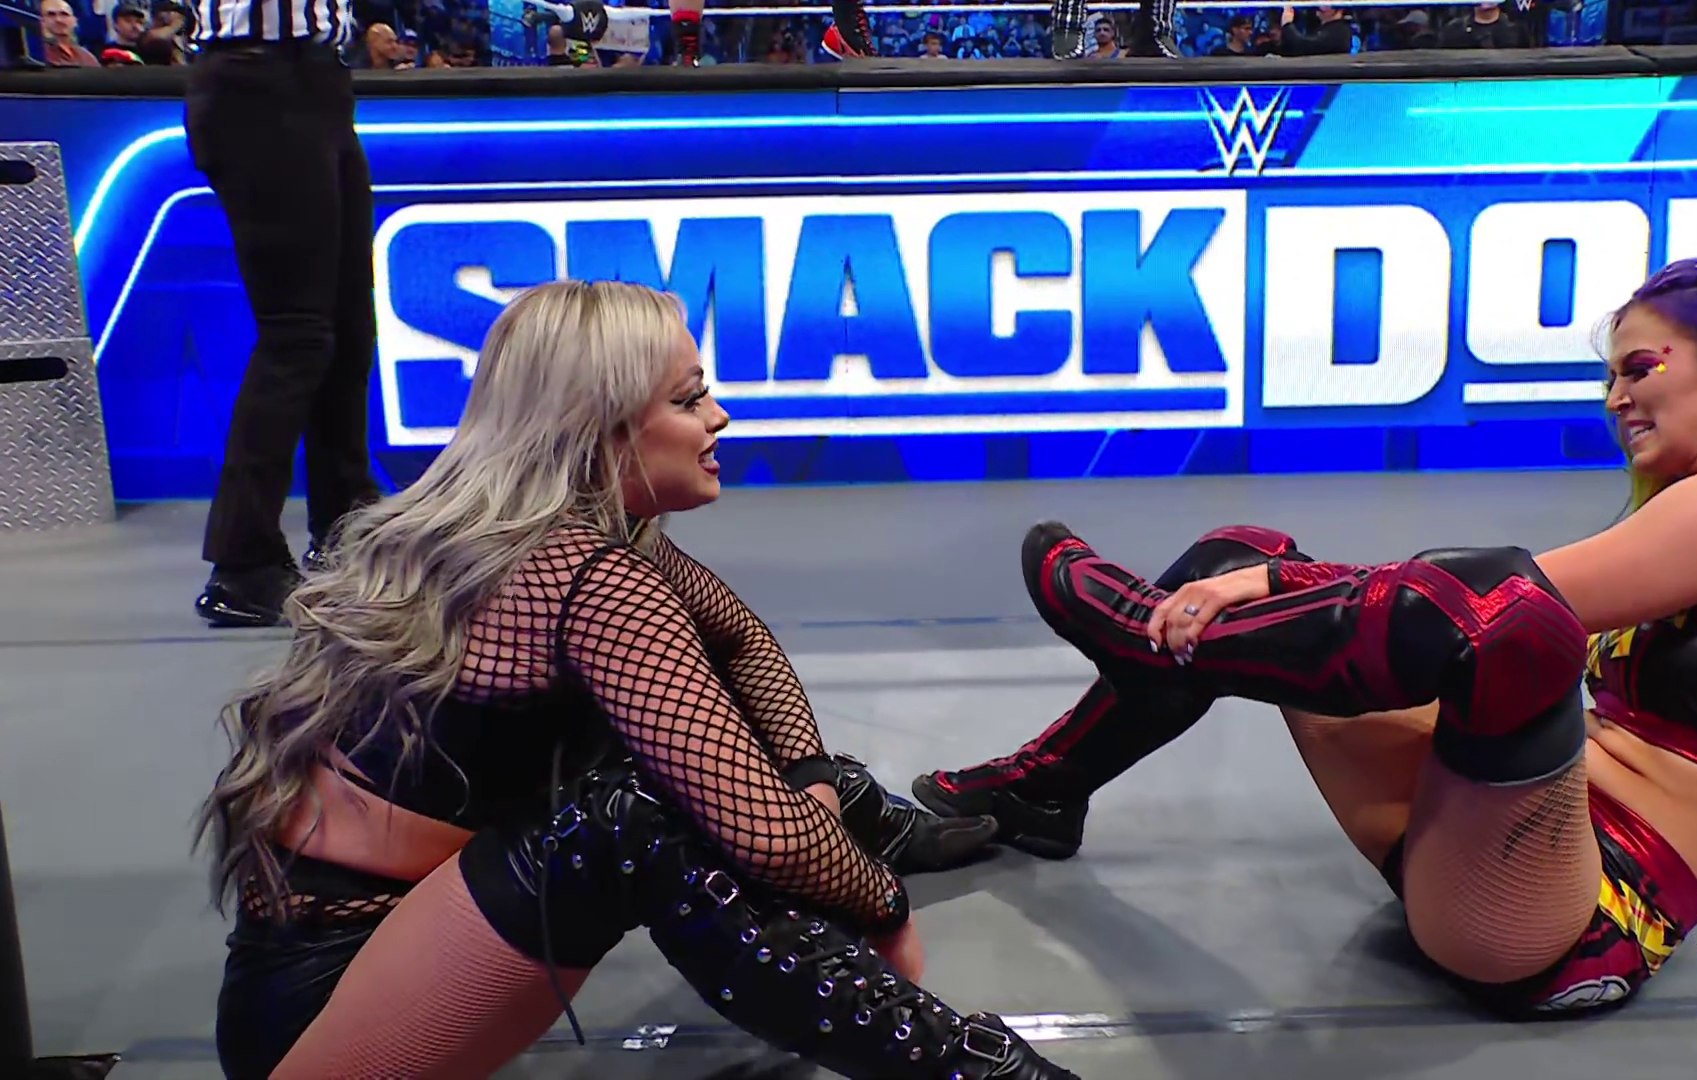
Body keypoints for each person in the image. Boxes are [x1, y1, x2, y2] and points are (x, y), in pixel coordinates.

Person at [915, 258, 1697, 1017]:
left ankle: (1148, 643)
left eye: (1640, 369)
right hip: (1491, 838)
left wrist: (1278, 583)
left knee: (1506, 614)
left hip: (1573, 921)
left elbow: (1511, 598)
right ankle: (1046, 788)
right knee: (1237, 559)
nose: (1617, 398)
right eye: (1611, 377)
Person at [194, 281, 1070, 1079]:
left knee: (704, 758)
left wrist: (811, 783)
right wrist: (880, 902)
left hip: (372, 959)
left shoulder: (562, 538)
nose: (719, 416)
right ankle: (979, 1070)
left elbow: (743, 643)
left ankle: (863, 809)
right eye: (688, 400)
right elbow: (770, 839)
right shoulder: (584, 576)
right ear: (597, 425)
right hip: (325, 1013)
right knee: (638, 815)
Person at [186, 0, 383, 627]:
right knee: (296, 331)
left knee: (348, 325)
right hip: (259, 81)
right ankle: (243, 563)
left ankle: (345, 528)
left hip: (316, 78)